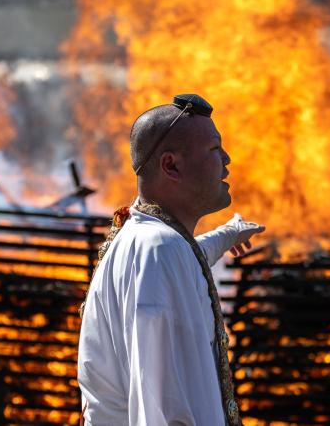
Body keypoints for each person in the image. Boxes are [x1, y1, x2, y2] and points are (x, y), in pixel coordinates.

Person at [77, 94, 265, 426]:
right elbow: (160, 405)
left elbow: (182, 262)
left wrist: (223, 237)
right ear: (171, 166)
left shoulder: (149, 241)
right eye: (213, 149)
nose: (226, 158)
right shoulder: (161, 250)